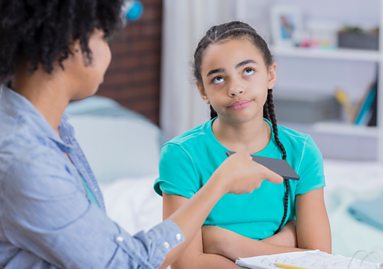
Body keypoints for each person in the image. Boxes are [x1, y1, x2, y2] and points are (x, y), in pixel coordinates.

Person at [0, 2, 283, 269]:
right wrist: (219, 184)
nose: (108, 52)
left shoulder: (53, 127)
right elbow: (129, 263)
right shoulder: (26, 159)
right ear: (72, 42)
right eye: (102, 36)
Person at [155, 21, 331, 269]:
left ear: (270, 74)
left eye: (247, 70)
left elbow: (320, 259)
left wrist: (222, 241)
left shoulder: (301, 152)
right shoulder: (181, 155)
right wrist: (288, 240)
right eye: (218, 78)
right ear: (202, 90)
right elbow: (187, 264)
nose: (235, 88)